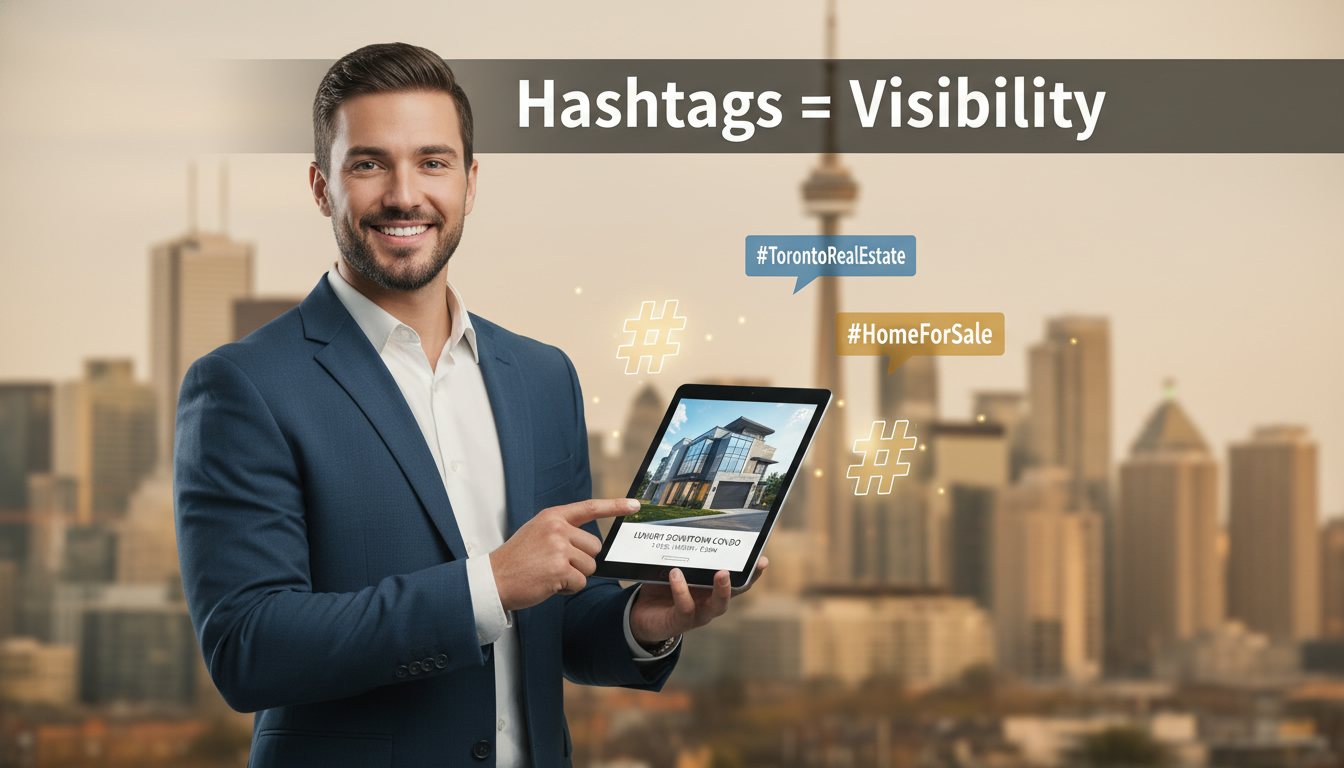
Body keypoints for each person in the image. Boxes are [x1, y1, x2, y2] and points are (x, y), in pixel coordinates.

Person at [173, 42, 765, 768]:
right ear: (321, 187)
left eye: (432, 161)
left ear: (470, 181)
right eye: (368, 163)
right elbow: (249, 647)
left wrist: (646, 620)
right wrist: (487, 584)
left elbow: (559, 621)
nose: (403, 194)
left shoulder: (544, 377)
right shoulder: (245, 385)